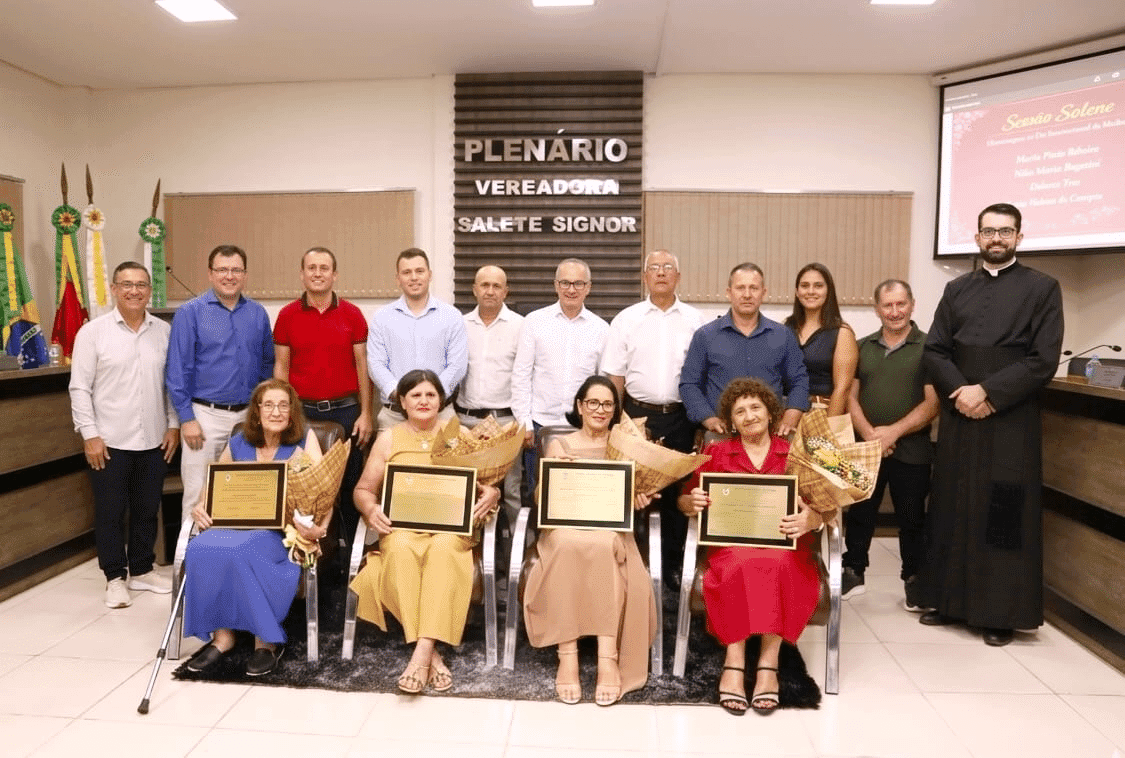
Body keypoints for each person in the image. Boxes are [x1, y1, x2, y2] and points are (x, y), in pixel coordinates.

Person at [920, 203, 1064, 647]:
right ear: (977, 237)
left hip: (1010, 419)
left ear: (1019, 237)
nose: (996, 238)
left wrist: (989, 393)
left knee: (1003, 510)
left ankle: (999, 613)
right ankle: (947, 601)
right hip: (961, 413)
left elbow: (1044, 359)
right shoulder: (957, 289)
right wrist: (963, 391)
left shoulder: (1043, 288)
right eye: (988, 231)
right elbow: (935, 351)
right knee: (952, 503)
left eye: (1005, 231)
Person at [679, 378, 829, 715]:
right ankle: (734, 661)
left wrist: (813, 520)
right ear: (731, 422)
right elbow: (684, 500)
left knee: (778, 565)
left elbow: (825, 506)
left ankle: (767, 664)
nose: (749, 416)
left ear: (771, 413)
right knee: (736, 564)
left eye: (755, 408)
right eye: (740, 411)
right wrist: (694, 502)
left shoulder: (796, 454)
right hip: (731, 544)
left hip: (786, 545)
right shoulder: (715, 452)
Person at [350, 370, 500, 694]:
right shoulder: (388, 438)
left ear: (441, 400)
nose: (423, 401)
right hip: (402, 527)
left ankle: (419, 653)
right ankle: (431, 654)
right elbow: (363, 489)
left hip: (450, 530)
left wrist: (493, 493)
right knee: (401, 551)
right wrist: (371, 508)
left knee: (444, 551)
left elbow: (484, 483)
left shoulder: (457, 435)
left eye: (430, 395)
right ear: (402, 401)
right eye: (415, 395)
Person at [522, 375, 658, 706]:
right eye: (593, 402)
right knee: (569, 543)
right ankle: (567, 655)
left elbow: (635, 492)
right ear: (580, 406)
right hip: (563, 527)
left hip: (609, 529)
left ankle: (607, 657)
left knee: (601, 544)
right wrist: (554, 476)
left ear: (615, 410)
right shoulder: (560, 444)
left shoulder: (626, 444)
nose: (600, 409)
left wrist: (641, 497)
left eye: (608, 404)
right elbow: (540, 497)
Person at [183, 379, 326, 677]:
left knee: (244, 550)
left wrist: (312, 523)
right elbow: (214, 485)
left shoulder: (304, 440)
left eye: (283, 405)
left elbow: (322, 490)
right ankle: (223, 637)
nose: (276, 412)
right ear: (257, 410)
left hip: (279, 531)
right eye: (269, 405)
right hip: (236, 523)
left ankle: (266, 642)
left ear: (292, 411)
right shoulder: (238, 443)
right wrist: (200, 505)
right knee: (199, 546)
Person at [69, 261, 180, 608]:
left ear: (150, 291)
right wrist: (90, 434)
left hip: (154, 439)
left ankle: (143, 569)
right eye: (127, 284)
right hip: (109, 441)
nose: (134, 290)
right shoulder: (93, 333)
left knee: (148, 508)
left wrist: (174, 424)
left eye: (141, 285)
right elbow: (79, 388)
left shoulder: (164, 332)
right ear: (114, 289)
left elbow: (171, 386)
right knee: (111, 511)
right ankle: (115, 577)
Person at [601, 249, 706, 580]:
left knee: (677, 493)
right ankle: (632, 562)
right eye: (654, 268)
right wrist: (615, 423)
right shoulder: (627, 318)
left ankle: (673, 565)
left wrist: (701, 420)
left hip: (681, 417)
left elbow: (702, 374)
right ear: (645, 277)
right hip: (635, 416)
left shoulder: (695, 320)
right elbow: (614, 375)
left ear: (678, 277)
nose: (661, 273)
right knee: (631, 492)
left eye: (668, 268)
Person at [842, 280, 938, 606]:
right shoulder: (862, 346)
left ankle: (915, 579)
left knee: (912, 517)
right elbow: (849, 397)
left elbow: (932, 403)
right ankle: (853, 571)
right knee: (859, 513)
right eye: (887, 305)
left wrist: (893, 432)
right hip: (865, 446)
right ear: (877, 309)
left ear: (912, 305)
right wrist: (871, 434)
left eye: (900, 304)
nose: (894, 312)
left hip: (912, 448)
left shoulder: (930, 347)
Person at [166, 244, 275, 526]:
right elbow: (177, 371)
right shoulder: (190, 313)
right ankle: (190, 562)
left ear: (245, 274)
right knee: (196, 494)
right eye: (222, 269)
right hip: (204, 418)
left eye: (236, 269)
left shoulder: (258, 314)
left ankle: (229, 558)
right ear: (211, 274)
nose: (230, 276)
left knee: (244, 493)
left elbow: (266, 366)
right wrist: (186, 419)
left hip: (247, 417)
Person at [274, 246, 373, 542]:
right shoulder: (287, 315)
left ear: (335, 275)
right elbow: (281, 366)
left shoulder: (352, 315)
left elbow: (362, 367)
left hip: (347, 413)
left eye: (324, 268)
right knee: (304, 487)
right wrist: (283, 412)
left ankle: (352, 556)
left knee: (349, 484)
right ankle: (308, 549)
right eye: (312, 268)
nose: (318, 273)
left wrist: (366, 413)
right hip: (302, 413)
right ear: (302, 274)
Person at [680, 262, 810, 438]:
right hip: (722, 433)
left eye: (754, 288)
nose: (747, 295)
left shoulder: (783, 336)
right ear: (729, 293)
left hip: (772, 435)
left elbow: (799, 380)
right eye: (740, 288)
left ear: (763, 293)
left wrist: (792, 415)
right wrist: (708, 418)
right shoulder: (705, 336)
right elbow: (689, 384)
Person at [511, 257, 609, 489]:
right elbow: (521, 375)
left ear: (588, 287)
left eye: (578, 283)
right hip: (539, 425)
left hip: (584, 429)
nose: (571, 289)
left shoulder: (601, 329)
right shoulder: (534, 322)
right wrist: (525, 423)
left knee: (580, 491)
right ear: (556, 285)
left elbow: (603, 386)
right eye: (565, 283)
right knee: (540, 492)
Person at [456, 265, 525, 528]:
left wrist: (523, 423)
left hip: (506, 423)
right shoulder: (460, 325)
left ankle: (515, 561)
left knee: (512, 493)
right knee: (467, 493)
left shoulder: (520, 326)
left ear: (505, 291)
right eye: (484, 285)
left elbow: (525, 377)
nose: (490, 291)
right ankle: (469, 557)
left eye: (497, 286)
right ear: (474, 290)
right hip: (466, 421)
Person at [367, 248, 467, 430]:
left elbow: (457, 365)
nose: (414, 277)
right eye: (407, 272)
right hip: (394, 415)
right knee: (389, 459)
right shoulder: (382, 318)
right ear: (398, 279)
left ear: (429, 275)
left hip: (441, 415)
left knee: (444, 459)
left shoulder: (452, 316)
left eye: (419, 271)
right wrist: (401, 395)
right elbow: (376, 364)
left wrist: (431, 396)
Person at [784, 262, 858, 416]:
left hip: (824, 413)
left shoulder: (842, 333)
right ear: (797, 292)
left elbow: (842, 389)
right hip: (786, 414)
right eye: (804, 286)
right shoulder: (785, 328)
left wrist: (827, 433)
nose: (810, 291)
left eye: (818, 286)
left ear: (828, 291)